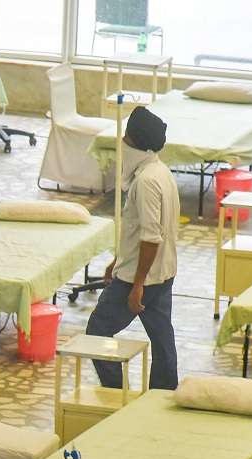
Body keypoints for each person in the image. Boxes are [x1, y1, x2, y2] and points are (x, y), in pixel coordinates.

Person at [86, 105, 180, 390]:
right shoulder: (160, 172)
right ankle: (163, 393)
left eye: (126, 137)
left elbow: (151, 237)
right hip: (163, 273)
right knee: (162, 335)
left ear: (136, 142)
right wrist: (118, 259)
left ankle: (116, 392)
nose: (122, 142)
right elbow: (140, 230)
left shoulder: (146, 182)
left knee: (97, 331)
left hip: (140, 279)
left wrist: (137, 283)